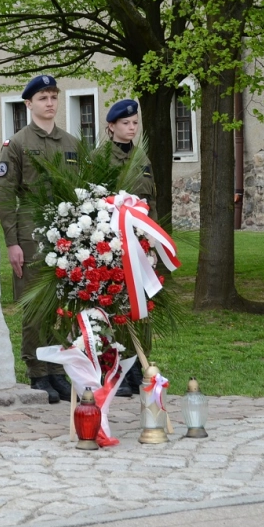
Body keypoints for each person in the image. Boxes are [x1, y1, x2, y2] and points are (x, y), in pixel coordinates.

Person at [0, 74, 79, 404]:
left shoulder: (71, 144)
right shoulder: (16, 144)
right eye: (43, 98)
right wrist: (12, 242)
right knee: (35, 307)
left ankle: (56, 369)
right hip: (31, 233)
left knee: (62, 305)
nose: (50, 103)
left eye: (54, 97)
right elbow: (5, 194)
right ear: (29, 104)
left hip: (66, 233)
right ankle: (37, 371)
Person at [105, 99, 156, 397]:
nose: (132, 127)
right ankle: (117, 367)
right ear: (112, 126)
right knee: (116, 304)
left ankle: (139, 363)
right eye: (126, 123)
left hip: (141, 241)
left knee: (140, 303)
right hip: (114, 242)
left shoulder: (141, 157)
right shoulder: (101, 157)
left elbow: (152, 200)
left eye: (135, 123)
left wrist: (154, 240)